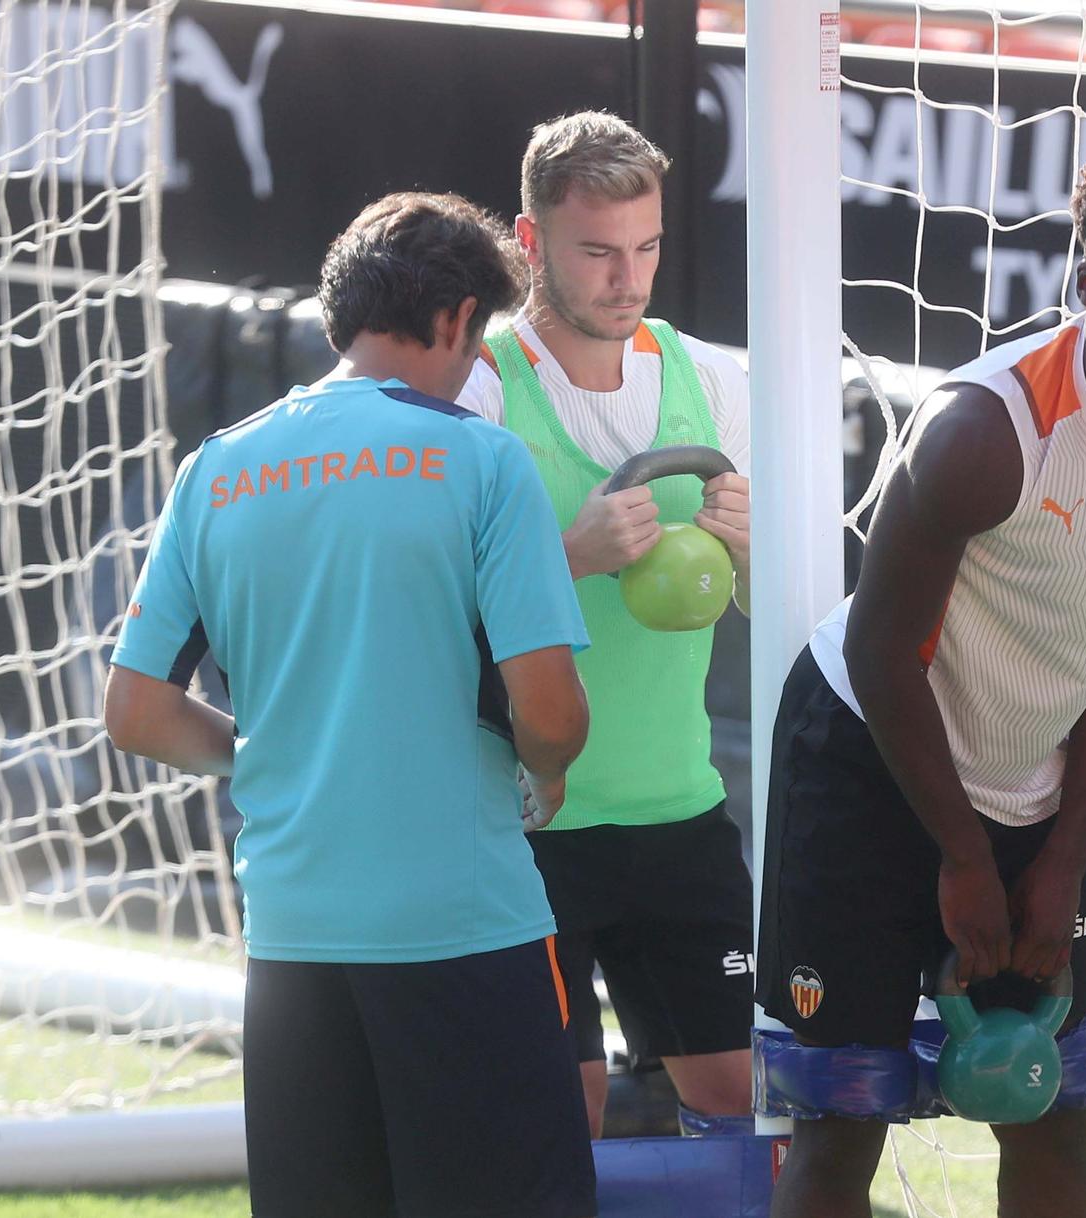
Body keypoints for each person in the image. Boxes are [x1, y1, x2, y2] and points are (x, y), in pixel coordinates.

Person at [756, 132, 1086, 1218]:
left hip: (1029, 779)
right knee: (846, 1107)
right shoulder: (983, 430)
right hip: (866, 759)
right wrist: (961, 857)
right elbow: (884, 654)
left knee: (1044, 1095)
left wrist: (1059, 849)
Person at [104, 192, 596, 1218]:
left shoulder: (218, 467)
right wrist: (544, 773)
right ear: (457, 318)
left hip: (291, 942)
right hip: (462, 931)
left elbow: (137, 712)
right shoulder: (482, 461)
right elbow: (549, 713)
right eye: (478, 342)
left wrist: (283, 756)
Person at [456, 110, 755, 1139]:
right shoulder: (474, 389)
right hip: (525, 826)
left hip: (679, 812)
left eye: (646, 247)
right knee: (558, 1119)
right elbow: (423, 611)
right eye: (595, 252)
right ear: (529, 243)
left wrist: (756, 551)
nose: (626, 280)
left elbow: (786, 612)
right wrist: (567, 555)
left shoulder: (715, 381)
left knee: (744, 1104)